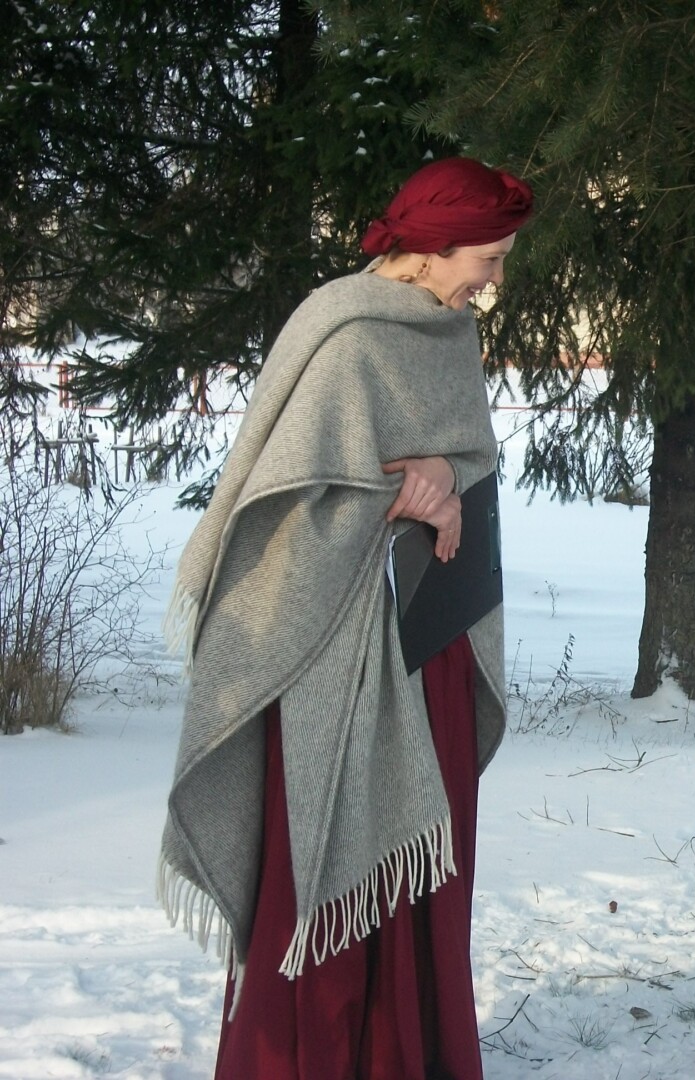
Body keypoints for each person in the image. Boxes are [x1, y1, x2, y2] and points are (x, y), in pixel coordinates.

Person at [157, 157, 533, 1080]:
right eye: (487, 258)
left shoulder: (450, 332)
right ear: (433, 248)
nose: (493, 279)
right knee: (326, 875)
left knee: (428, 876)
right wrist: (395, 494)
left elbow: (470, 461)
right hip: (335, 652)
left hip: (431, 641)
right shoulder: (344, 336)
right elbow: (283, 505)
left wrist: (445, 476)